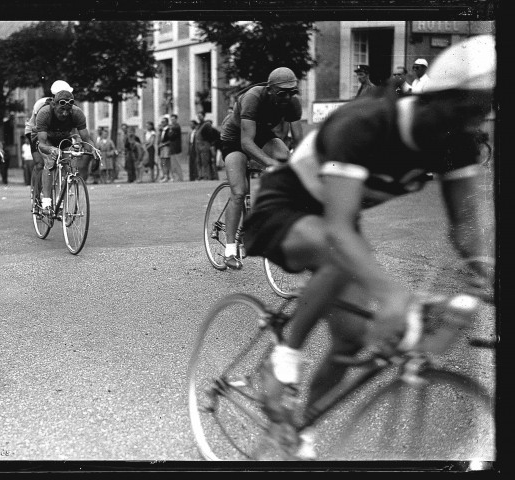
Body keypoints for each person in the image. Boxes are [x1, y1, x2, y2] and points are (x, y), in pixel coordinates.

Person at [243, 35, 496, 459]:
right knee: (341, 253)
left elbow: (468, 233)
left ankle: (300, 428)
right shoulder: (365, 124)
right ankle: (283, 357)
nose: (473, 126)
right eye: (468, 111)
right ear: (436, 99)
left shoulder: (455, 142)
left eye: (484, 114)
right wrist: (393, 295)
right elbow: (340, 231)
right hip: (284, 207)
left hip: (334, 225)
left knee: (349, 342)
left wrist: (488, 272)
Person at [219, 66, 305, 269]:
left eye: (292, 92)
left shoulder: (292, 102)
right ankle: (230, 250)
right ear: (270, 89)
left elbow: (299, 140)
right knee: (239, 192)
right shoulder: (253, 97)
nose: (287, 98)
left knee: (285, 158)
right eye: (282, 93)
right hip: (235, 138)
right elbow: (246, 143)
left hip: (262, 133)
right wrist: (270, 163)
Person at [34, 89, 98, 213]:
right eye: (61, 110)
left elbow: (86, 138)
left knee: (69, 162)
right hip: (47, 140)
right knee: (50, 161)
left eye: (68, 110)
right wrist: (51, 149)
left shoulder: (77, 113)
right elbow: (41, 143)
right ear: (53, 105)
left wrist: (94, 149)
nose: (64, 114)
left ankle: (61, 198)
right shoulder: (44, 113)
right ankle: (46, 202)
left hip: (64, 138)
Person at [25, 80, 73, 201]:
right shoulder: (41, 105)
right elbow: (40, 130)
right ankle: (36, 196)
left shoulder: (68, 105)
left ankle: (61, 191)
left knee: (64, 160)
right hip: (36, 131)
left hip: (55, 132)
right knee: (41, 163)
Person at [194, 113, 221, 181]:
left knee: (205, 161)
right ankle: (202, 176)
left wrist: (212, 144)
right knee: (200, 161)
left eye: (200, 116)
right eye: (198, 116)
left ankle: (208, 176)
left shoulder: (206, 125)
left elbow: (211, 135)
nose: (199, 117)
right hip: (199, 145)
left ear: (203, 116)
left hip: (204, 145)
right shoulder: (199, 125)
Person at [167, 114, 183, 181]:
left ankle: (179, 177)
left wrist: (170, 130)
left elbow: (170, 136)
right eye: (171, 119)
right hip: (172, 147)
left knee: (177, 163)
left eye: (173, 119)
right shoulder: (172, 127)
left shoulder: (176, 127)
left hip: (176, 148)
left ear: (176, 119)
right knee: (173, 164)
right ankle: (175, 177)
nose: (172, 120)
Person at [157, 117, 171, 182]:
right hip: (161, 148)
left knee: (166, 161)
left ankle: (167, 176)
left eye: (163, 122)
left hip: (166, 147)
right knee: (162, 162)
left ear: (167, 122)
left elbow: (170, 140)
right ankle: (164, 175)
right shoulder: (161, 130)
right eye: (161, 122)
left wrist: (164, 144)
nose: (162, 123)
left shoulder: (169, 129)